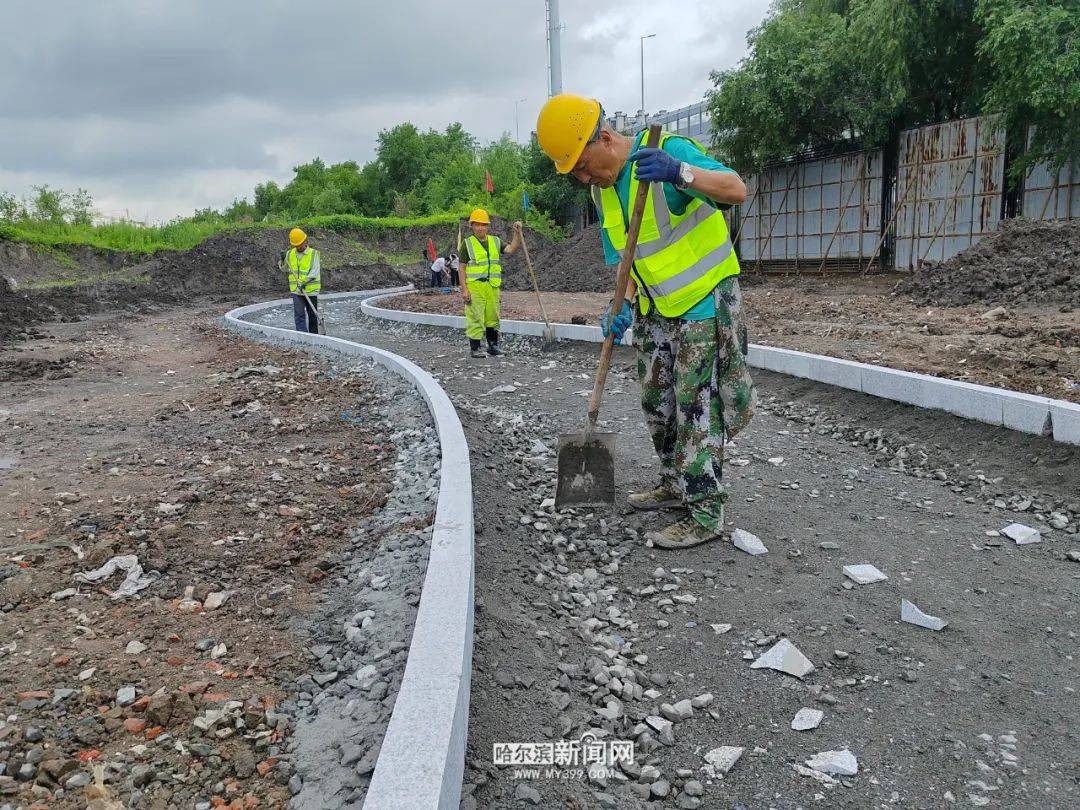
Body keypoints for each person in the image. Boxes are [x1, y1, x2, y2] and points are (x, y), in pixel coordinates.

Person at [535, 93, 757, 550]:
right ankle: (675, 483)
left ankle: (706, 510)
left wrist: (681, 174)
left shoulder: (666, 153)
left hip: (704, 299)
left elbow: (736, 189)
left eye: (581, 164)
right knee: (658, 401)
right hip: (655, 308)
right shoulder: (603, 193)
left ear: (604, 137)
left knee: (696, 406)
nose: (581, 177)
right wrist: (618, 305)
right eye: (572, 171)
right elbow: (628, 259)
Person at [459, 209, 523, 358]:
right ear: (472, 226)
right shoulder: (467, 244)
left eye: (483, 225)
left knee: (493, 316)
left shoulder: (495, 241)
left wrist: (516, 234)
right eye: (477, 225)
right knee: (475, 316)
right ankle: (475, 348)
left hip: (492, 286)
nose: (480, 228)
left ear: (487, 226)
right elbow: (461, 267)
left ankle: (493, 346)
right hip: (475, 286)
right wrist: (464, 289)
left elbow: (511, 248)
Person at [280, 228, 321, 333]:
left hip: (310, 290)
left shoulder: (313, 254)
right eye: (296, 245)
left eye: (300, 244)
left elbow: (314, 272)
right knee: (299, 315)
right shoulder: (290, 254)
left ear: (306, 241)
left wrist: (304, 282)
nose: (298, 247)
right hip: (296, 290)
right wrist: (282, 260)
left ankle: (314, 336)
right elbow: (284, 269)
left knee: (312, 315)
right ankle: (302, 336)